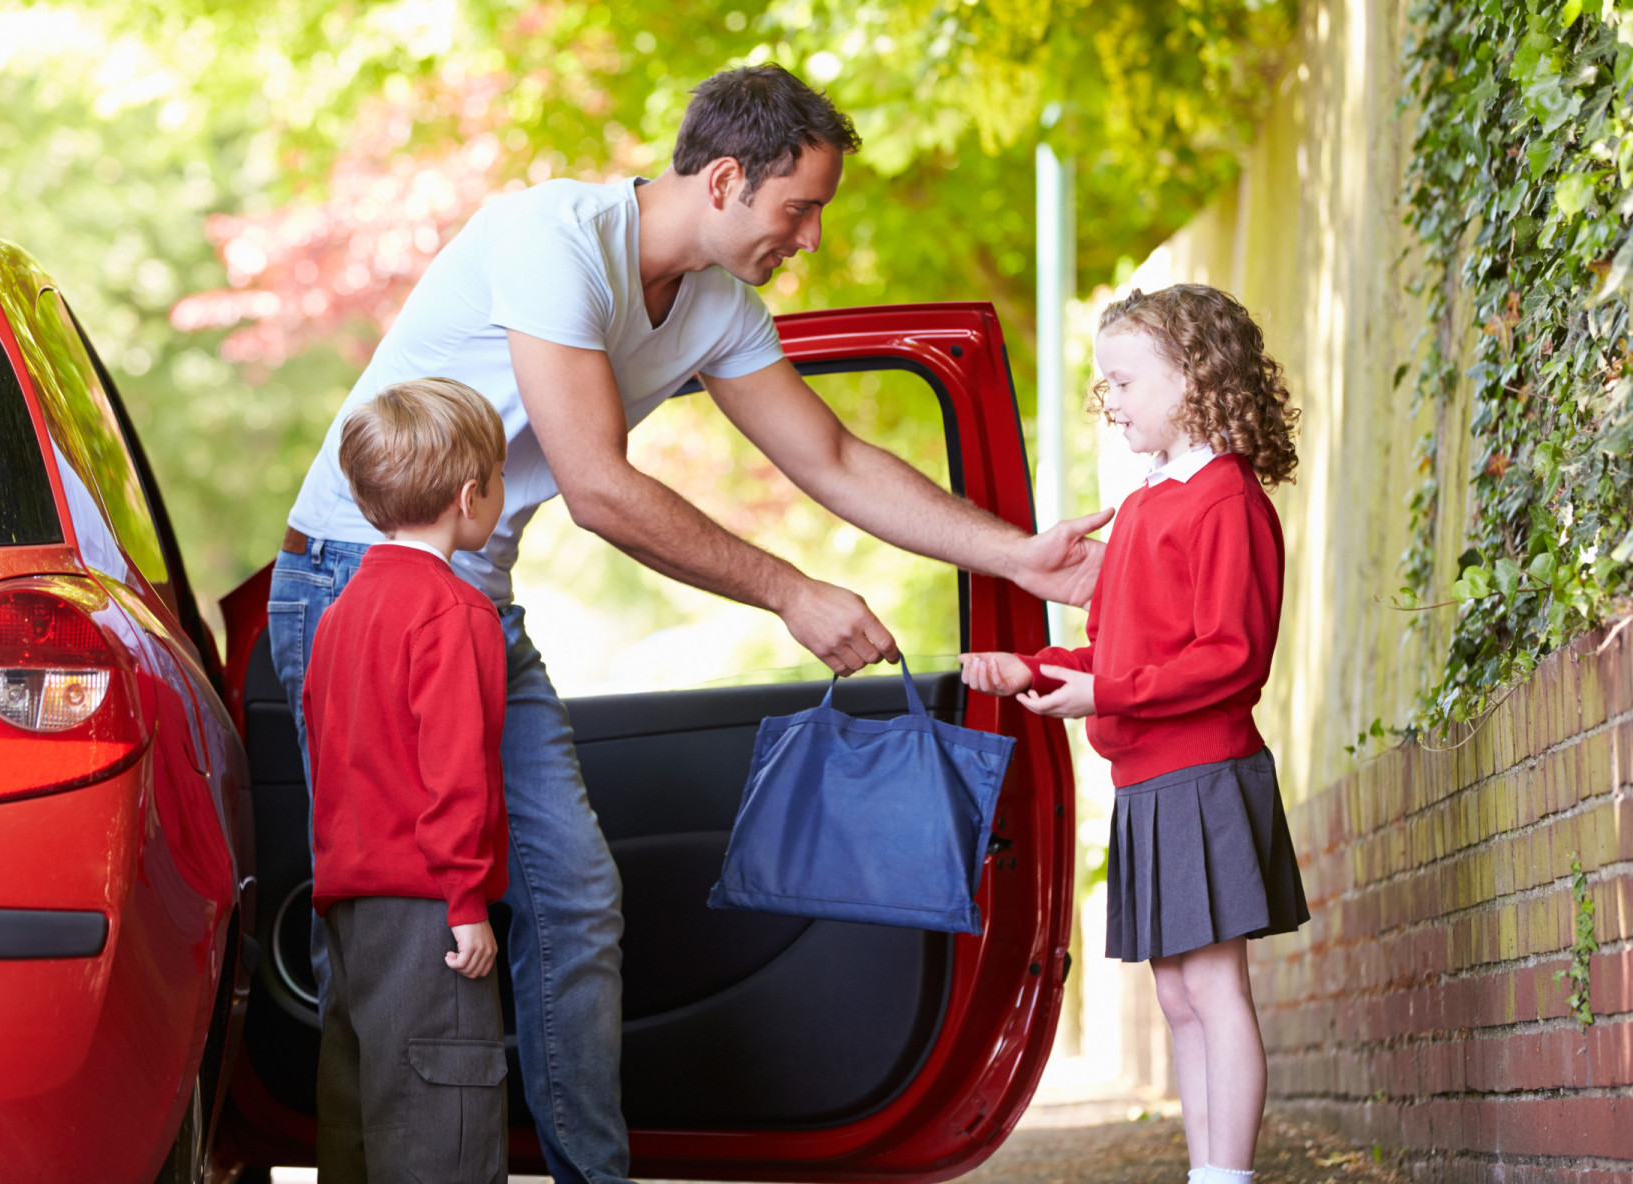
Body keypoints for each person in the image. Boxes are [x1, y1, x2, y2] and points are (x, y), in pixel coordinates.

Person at [269, 63, 1111, 1184]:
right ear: (723, 178)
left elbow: (835, 457)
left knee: (574, 895)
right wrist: (789, 591)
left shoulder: (719, 308)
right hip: (357, 585)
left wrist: (1020, 553)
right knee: (392, 924)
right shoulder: (549, 239)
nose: (809, 236)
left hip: (475, 599)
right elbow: (598, 486)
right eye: (798, 206)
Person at [960, 284, 1310, 1184]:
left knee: (1214, 988)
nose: (1108, 400)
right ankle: (1208, 1169)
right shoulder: (1150, 502)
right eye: (1104, 382)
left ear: (1193, 378)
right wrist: (1034, 668)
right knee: (1177, 991)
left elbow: (1231, 658)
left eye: (1123, 380)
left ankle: (1226, 1177)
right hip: (1149, 780)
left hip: (1205, 773)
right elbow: (1122, 647)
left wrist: (1102, 687)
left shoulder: (1224, 498)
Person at [302, 378, 513, 1183]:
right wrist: (467, 904)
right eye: (499, 477)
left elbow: (328, 757)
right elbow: (455, 770)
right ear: (470, 497)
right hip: (429, 911)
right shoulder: (455, 614)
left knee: (359, 1118)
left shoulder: (340, 615)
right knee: (440, 1128)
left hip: (350, 907)